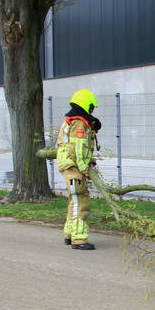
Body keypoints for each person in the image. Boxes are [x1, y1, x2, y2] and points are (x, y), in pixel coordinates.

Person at [56, 89, 102, 250]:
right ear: (86, 104)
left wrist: (90, 162)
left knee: (74, 201)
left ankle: (69, 235)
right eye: (91, 107)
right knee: (81, 203)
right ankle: (79, 239)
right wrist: (84, 169)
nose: (92, 110)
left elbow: (76, 149)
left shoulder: (72, 120)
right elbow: (78, 149)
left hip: (70, 166)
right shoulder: (79, 122)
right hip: (74, 167)